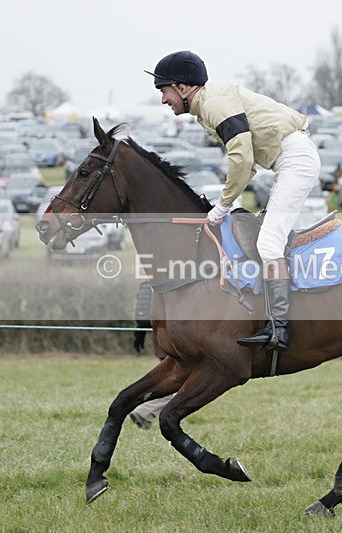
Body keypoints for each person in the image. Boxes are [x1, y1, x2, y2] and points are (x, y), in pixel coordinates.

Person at [145, 50, 321, 351]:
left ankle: (279, 327)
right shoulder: (208, 105)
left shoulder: (213, 104)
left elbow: (242, 159)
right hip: (288, 160)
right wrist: (227, 201)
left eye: (165, 90)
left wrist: (223, 205)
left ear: (184, 88)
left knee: (268, 243)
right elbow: (247, 164)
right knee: (263, 237)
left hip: (295, 160)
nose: (163, 99)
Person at [128, 280, 174, 430]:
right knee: (177, 381)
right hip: (174, 340)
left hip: (159, 339)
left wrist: (138, 334)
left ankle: (148, 416)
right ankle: (144, 411)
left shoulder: (152, 283)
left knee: (175, 381)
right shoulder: (175, 283)